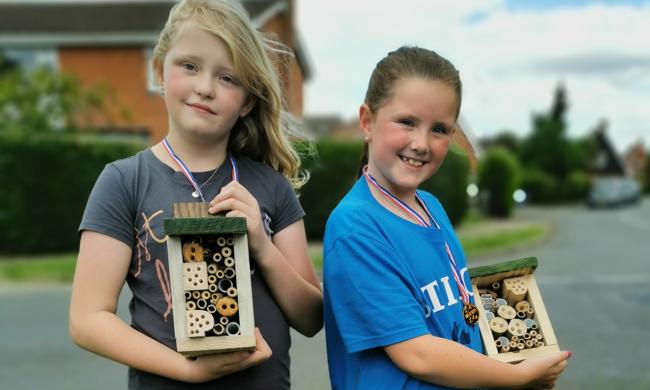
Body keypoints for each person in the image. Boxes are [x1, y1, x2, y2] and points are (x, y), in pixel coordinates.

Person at [69, 0, 323, 388]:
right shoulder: (123, 181)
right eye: (189, 66)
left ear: (247, 102)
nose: (205, 88)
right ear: (159, 71)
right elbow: (87, 320)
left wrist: (261, 244)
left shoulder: (270, 186)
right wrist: (188, 370)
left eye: (228, 79)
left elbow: (310, 318)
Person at [322, 46, 571, 389]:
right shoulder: (356, 228)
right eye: (407, 122)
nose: (422, 143)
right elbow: (417, 354)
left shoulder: (432, 207)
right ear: (367, 121)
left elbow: (460, 311)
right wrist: (516, 377)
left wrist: (512, 350)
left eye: (439, 129)